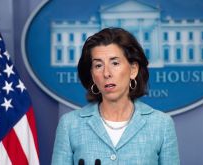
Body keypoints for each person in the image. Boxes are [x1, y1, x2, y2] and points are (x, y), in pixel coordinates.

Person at [51, 27, 180, 165]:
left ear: (133, 70)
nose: (107, 73)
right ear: (92, 75)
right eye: (98, 65)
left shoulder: (161, 124)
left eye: (115, 63)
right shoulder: (70, 125)